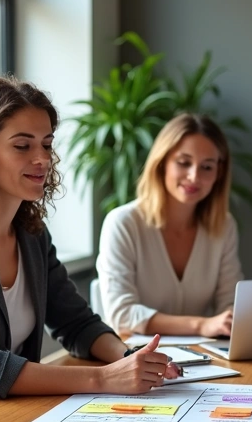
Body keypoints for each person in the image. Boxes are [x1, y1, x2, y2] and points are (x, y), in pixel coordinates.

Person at [0, 77, 177, 410]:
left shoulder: (31, 233)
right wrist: (105, 379)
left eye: (47, 144)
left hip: (11, 412)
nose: (42, 158)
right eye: (23, 146)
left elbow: (75, 323)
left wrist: (131, 359)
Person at [96, 114, 242, 337]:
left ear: (218, 173)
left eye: (207, 167)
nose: (194, 176)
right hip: (133, 358)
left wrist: (231, 319)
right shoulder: (123, 223)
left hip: (203, 359)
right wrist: (201, 325)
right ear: (162, 162)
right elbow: (122, 314)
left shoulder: (223, 226)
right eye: (183, 163)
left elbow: (231, 304)